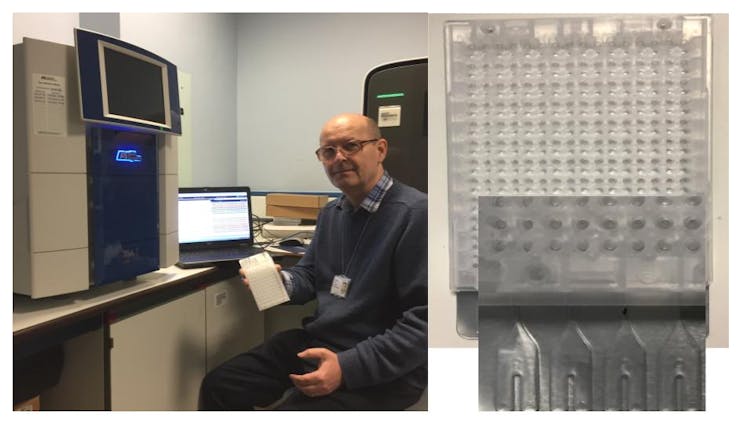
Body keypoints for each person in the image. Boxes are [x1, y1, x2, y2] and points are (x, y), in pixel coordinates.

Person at [199, 113, 427, 410]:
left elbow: (424, 323)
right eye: (328, 152)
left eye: (351, 146)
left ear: (380, 149)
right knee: (220, 386)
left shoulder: (416, 214)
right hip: (321, 341)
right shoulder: (333, 213)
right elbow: (309, 275)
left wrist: (347, 367)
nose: (339, 158)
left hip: (383, 366)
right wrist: (281, 284)